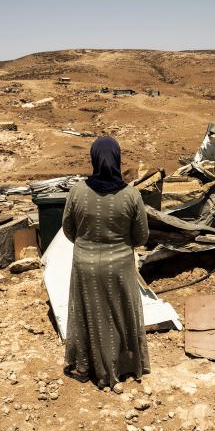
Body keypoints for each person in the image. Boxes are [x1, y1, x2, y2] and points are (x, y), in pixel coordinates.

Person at [61, 136, 150, 389]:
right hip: (119, 266)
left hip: (84, 265)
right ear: (118, 160)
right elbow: (141, 236)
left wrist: (86, 242)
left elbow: (68, 230)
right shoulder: (132, 196)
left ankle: (85, 365)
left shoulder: (77, 191)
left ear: (93, 159)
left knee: (87, 314)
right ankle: (123, 366)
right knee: (120, 316)